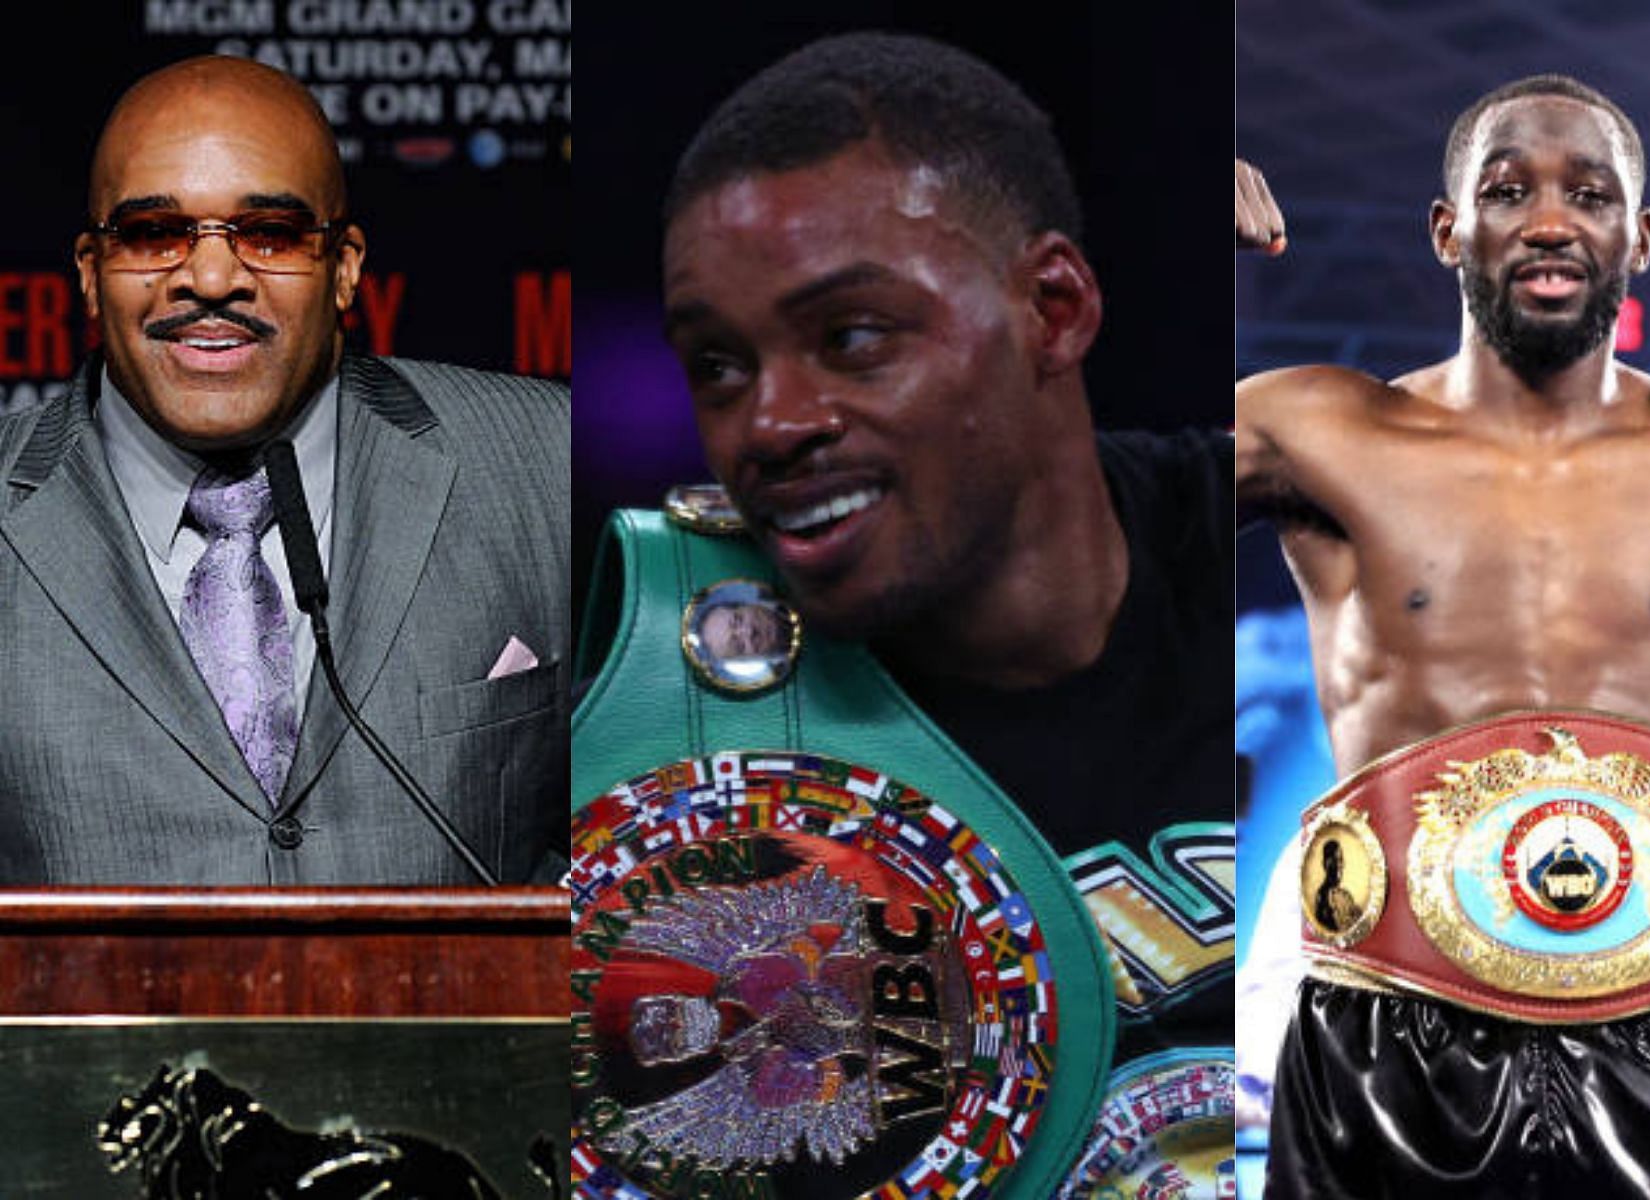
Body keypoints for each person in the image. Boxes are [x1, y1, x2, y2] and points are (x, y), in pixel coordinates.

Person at [569, 31, 1232, 1198]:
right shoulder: (667, 731)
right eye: (720, 365)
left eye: (851, 338)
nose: (769, 422)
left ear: (1056, 308)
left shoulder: (1290, 551)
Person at [1236, 74, 1650, 1198]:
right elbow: (1051, 515)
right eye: (1508, 191)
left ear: (1638, 237)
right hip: (1389, 1029)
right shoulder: (1317, 427)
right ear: (1450, 230)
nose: (1550, 219)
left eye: (1589, 194)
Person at [0, 55, 568, 884]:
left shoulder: (544, 461)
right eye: (155, 234)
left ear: (344, 268)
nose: (212, 277)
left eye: (269, 234)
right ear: (90, 274)